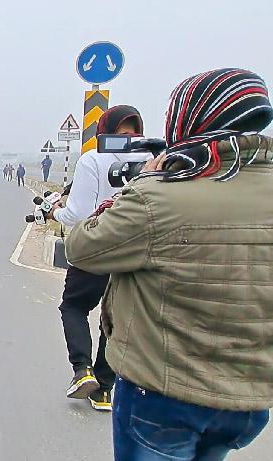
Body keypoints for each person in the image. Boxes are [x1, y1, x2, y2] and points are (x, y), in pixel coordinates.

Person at [65, 68, 273, 461]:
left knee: (73, 305)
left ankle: (86, 371)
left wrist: (145, 181)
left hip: (165, 392)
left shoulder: (159, 195)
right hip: (249, 397)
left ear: (190, 120)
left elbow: (82, 244)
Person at [45, 104, 149, 411]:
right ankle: (104, 390)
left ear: (103, 130)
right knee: (112, 318)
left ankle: (82, 370)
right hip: (130, 253)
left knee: (74, 306)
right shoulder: (150, 160)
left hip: (94, 249)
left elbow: (77, 214)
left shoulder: (93, 159)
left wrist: (54, 212)